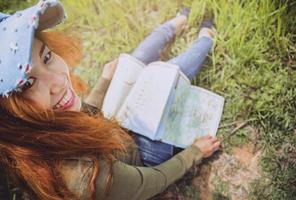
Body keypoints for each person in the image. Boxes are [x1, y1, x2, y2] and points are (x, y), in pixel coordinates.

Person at [0, 0, 220, 200]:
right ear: (10, 119)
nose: (58, 80)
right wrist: (194, 153)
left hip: (116, 135)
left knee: (134, 60)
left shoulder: (46, 123)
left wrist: (105, 80)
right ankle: (207, 36)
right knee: (169, 75)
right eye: (28, 83)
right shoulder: (86, 176)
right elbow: (154, 180)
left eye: (46, 57)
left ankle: (179, 20)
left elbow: (84, 114)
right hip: (142, 157)